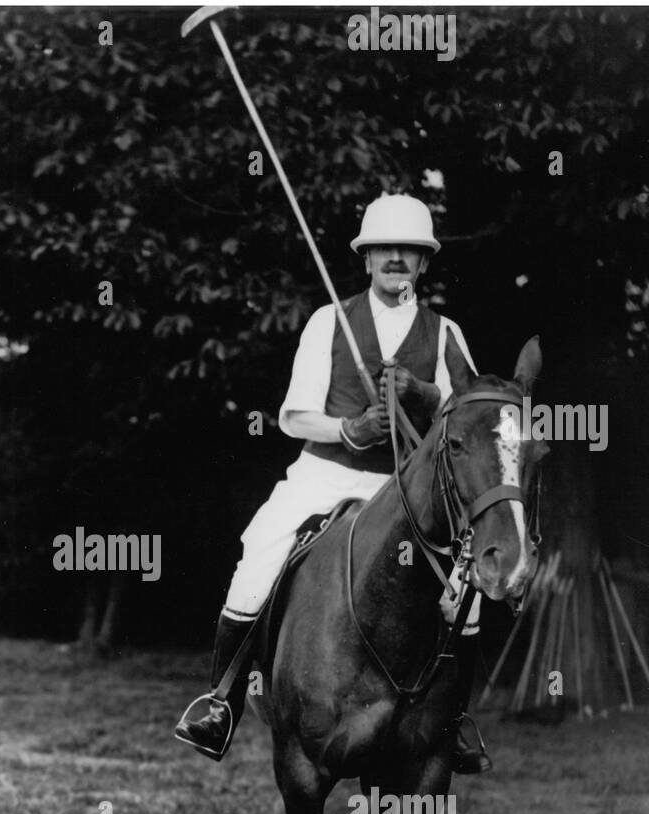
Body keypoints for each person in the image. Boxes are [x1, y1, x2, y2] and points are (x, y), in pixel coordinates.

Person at [175, 194, 490, 769]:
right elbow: (292, 416)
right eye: (384, 250)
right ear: (366, 259)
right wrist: (350, 429)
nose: (396, 258)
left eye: (409, 251)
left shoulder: (446, 333)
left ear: (423, 263)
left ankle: (457, 718)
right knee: (258, 556)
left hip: (405, 490)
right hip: (327, 474)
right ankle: (219, 703)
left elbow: (469, 416)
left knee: (462, 594)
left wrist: (427, 396)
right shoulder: (330, 321)